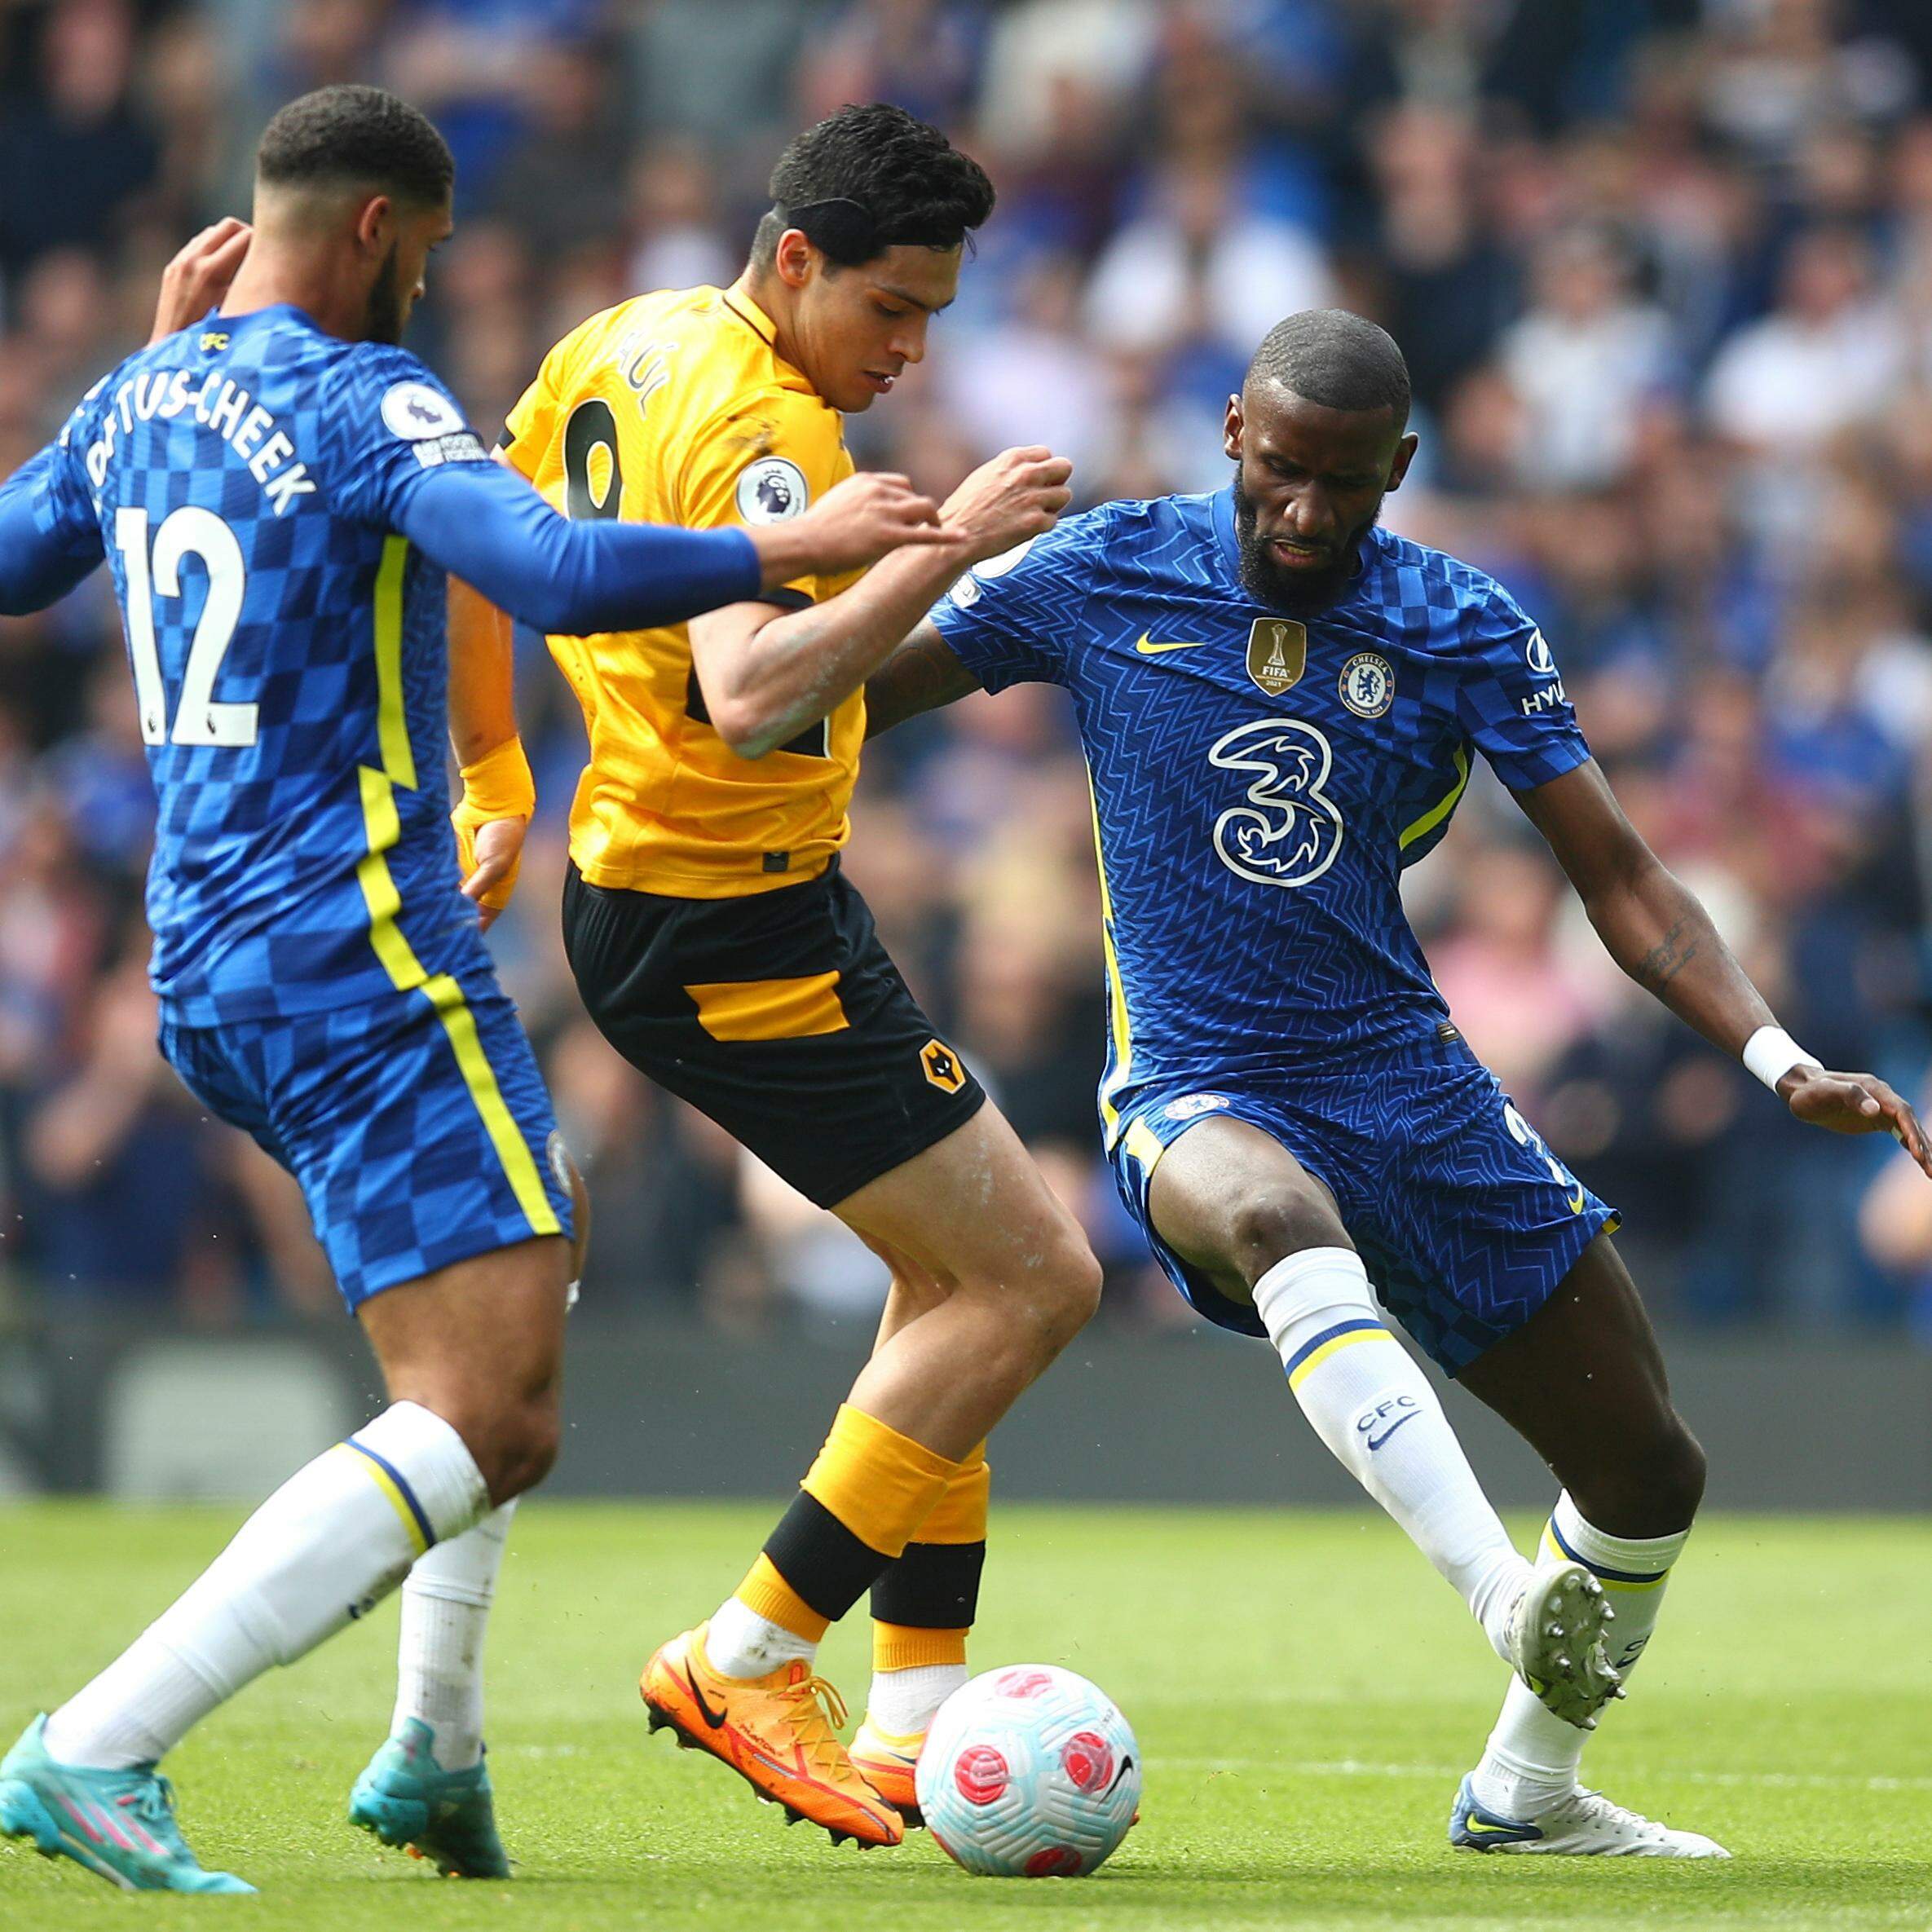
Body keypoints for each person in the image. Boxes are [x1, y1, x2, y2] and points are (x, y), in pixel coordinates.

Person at [0, 85, 937, 1895]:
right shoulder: (370, 398)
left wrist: (139, 386)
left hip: (202, 957)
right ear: (375, 232)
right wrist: (784, 550)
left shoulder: (147, 389)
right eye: (424, 258)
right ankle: (97, 1744)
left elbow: (15, 556)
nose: (427, 288)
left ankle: (433, 1742)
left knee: (523, 1254)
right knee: (495, 1408)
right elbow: (557, 572)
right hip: (355, 948)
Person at [862, 308, 1932, 1858]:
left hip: (1404, 1077)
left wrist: (1775, 1056)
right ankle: (1499, 1591)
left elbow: (1623, 882)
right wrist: (769, 622)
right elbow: (843, 694)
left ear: (1400, 469)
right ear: (1233, 431)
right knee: (1279, 1216)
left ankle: (1527, 1792)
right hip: (1195, 1075)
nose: (1305, 511)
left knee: (1646, 1469)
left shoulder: (1460, 622)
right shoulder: (1101, 570)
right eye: (1281, 470)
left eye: (1345, 485)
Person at [450, 104, 1097, 1847]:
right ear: (795, 260)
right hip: (729, 926)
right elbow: (756, 689)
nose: (908, 349)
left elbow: (477, 543)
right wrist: (942, 544)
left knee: (944, 1282)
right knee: (1034, 1284)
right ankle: (747, 1650)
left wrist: (501, 771)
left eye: (937, 318)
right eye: (891, 308)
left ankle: (914, 1720)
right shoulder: (765, 415)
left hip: (684, 892)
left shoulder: (623, 339)